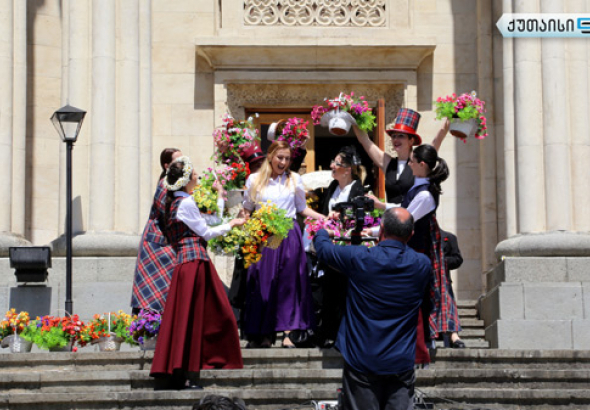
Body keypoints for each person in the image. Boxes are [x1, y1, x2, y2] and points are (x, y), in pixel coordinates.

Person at [313, 208, 432, 410]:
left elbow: (324, 250)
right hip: (400, 360)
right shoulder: (421, 264)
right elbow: (428, 305)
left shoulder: (361, 258)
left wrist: (325, 231)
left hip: (362, 358)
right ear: (411, 234)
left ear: (382, 229)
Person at [150, 156, 245, 389]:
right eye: (194, 175)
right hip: (194, 264)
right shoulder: (185, 203)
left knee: (187, 317)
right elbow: (206, 231)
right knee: (201, 316)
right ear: (185, 181)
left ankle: (180, 371)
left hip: (187, 264)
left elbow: (210, 220)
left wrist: (221, 198)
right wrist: (231, 225)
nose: (197, 178)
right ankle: (186, 373)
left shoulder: (176, 203)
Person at [367, 145, 464, 350]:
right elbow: (403, 210)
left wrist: (374, 232)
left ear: (421, 165)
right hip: (413, 249)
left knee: (417, 297)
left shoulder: (426, 194)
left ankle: (422, 345)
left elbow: (405, 220)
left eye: (411, 160)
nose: (408, 163)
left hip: (419, 250)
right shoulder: (418, 188)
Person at [241, 140, 326, 348]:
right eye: (280, 157)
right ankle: (265, 333)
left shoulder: (294, 179)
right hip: (263, 236)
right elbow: (247, 209)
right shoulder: (254, 180)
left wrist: (323, 218)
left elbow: (301, 208)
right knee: (263, 282)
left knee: (289, 283)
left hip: (288, 234)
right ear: (270, 156)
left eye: (287, 159)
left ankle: (289, 334)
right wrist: (240, 230)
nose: (284, 162)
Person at [312, 146, 366, 347]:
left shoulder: (357, 188)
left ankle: (343, 336)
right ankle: (328, 333)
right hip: (330, 245)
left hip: (346, 247)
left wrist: (341, 216)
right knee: (329, 290)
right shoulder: (332, 187)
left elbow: (358, 217)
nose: (331, 166)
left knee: (343, 290)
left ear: (347, 169)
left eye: (336, 163)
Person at [353, 108, 449, 205]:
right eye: (394, 136)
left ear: (411, 141)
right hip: (393, 218)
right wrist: (353, 114)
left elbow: (439, 136)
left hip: (416, 218)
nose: (396, 139)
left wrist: (453, 114)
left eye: (401, 136)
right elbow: (365, 140)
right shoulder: (388, 163)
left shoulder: (420, 161)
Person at [131, 148, 182, 314]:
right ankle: (148, 327)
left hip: (167, 245)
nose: (182, 163)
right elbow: (167, 213)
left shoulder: (177, 185)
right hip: (156, 245)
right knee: (152, 293)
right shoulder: (164, 184)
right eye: (177, 161)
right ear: (167, 165)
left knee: (165, 291)